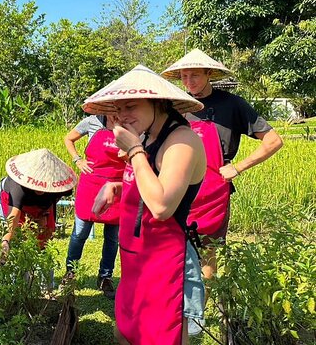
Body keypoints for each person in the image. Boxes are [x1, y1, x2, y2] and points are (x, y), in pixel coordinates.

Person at [161, 48, 283, 334]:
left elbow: (273, 141)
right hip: (177, 184)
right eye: (184, 75)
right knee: (172, 247)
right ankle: (173, 306)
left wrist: (238, 167)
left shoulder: (233, 105)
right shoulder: (173, 105)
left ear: (209, 74)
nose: (188, 80)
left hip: (214, 188)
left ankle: (200, 313)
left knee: (208, 251)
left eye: (194, 74)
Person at [87, 64, 207, 345]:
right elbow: (150, 180)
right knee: (126, 332)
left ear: (157, 102)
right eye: (119, 109)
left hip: (166, 261)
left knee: (161, 336)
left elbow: (162, 206)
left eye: (131, 106)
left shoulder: (181, 141)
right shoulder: (146, 135)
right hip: (134, 257)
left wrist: (134, 150)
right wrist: (116, 186)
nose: (123, 116)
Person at [63, 113, 125, 299]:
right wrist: (77, 160)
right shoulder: (93, 121)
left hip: (116, 187)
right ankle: (70, 274)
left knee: (112, 238)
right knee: (79, 234)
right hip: (91, 185)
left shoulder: (129, 121)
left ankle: (105, 277)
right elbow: (69, 138)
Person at [0, 149, 76, 261]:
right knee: (18, 236)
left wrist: (43, 214)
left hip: (40, 204)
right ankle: (17, 269)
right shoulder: (17, 188)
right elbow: (13, 218)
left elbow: (53, 200)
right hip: (11, 200)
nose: (40, 190)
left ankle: (38, 268)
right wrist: (6, 241)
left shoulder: (60, 187)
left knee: (45, 234)